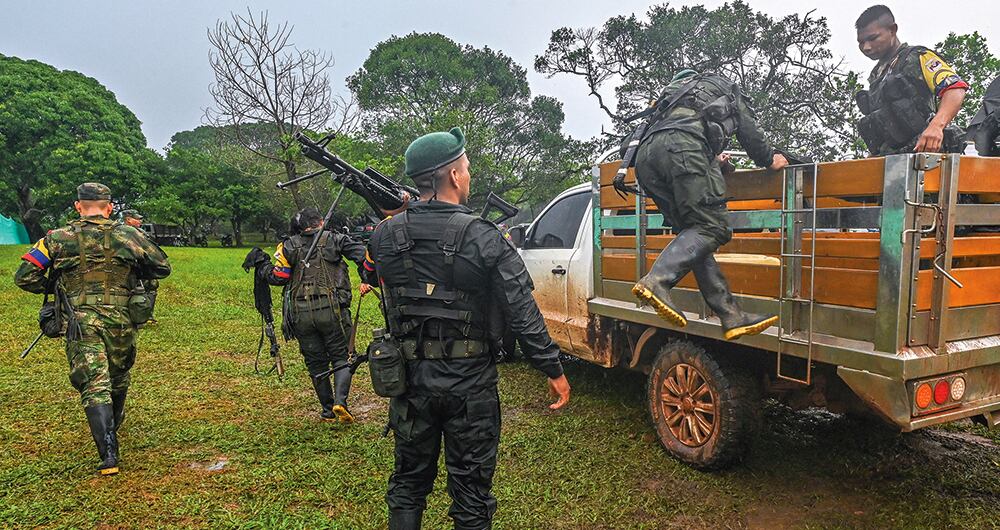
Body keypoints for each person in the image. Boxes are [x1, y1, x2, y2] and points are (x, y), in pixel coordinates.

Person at [361, 127, 571, 529]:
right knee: (471, 494)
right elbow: (521, 312)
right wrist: (553, 369)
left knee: (407, 483)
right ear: (454, 176)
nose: (469, 176)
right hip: (470, 386)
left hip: (410, 381)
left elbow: (373, 272)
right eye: (467, 168)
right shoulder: (484, 236)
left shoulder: (385, 235)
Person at [14, 183, 171, 476]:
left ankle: (108, 454)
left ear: (78, 206)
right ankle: (113, 434)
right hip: (121, 317)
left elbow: (24, 276)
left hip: (80, 320)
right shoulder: (129, 234)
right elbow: (162, 267)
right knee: (118, 375)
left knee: (93, 381)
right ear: (109, 207)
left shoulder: (56, 238)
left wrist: (55, 285)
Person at [627, 69, 787, 341]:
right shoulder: (721, 85)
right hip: (683, 150)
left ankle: (730, 314)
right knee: (712, 228)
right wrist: (769, 159)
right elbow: (749, 130)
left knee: (693, 235)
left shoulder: (665, 101)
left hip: (645, 161)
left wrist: (711, 157)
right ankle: (658, 280)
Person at [245, 208, 368, 423]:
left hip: (299, 314)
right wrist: (368, 276)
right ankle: (341, 402)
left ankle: (327, 409)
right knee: (342, 356)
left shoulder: (287, 245)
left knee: (315, 362)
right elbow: (364, 256)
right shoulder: (336, 239)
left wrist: (262, 266)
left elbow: (280, 276)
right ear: (321, 221)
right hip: (333, 311)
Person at [854, 4, 969, 155]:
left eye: (872, 38)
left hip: (924, 154)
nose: (866, 47)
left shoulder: (917, 57)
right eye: (861, 42)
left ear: (892, 30)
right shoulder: (877, 75)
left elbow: (955, 88)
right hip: (892, 158)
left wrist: (936, 126)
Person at [120, 209, 160, 324]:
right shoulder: (119, 232)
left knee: (151, 286)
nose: (140, 221)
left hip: (143, 265)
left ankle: (147, 315)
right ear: (128, 219)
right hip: (128, 266)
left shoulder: (141, 232)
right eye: (137, 219)